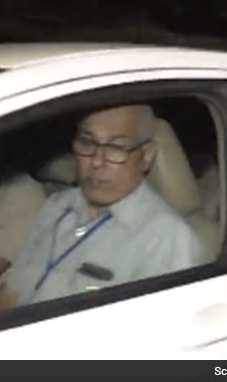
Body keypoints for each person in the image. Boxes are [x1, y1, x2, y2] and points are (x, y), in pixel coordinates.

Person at [0, 105, 203, 308]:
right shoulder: (59, 206)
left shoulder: (166, 239)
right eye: (88, 143)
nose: (97, 161)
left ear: (146, 156)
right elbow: (12, 294)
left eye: (116, 148)